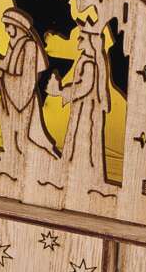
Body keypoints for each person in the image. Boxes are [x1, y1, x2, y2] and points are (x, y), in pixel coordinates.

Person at [0, 8, 59, 167]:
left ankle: (47, 161)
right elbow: (3, 66)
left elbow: (27, 79)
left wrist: (4, 75)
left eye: (8, 26)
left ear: (17, 25)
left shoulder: (29, 46)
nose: (6, 30)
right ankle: (9, 162)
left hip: (22, 102)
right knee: (7, 130)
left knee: (21, 139)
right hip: (9, 98)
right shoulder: (13, 45)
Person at [46, 27, 114, 193]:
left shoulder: (90, 64)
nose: (79, 40)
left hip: (87, 112)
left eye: (82, 37)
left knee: (84, 142)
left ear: (91, 41)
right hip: (81, 109)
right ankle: (71, 175)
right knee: (77, 141)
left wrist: (59, 91)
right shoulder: (86, 59)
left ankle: (82, 178)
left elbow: (83, 88)